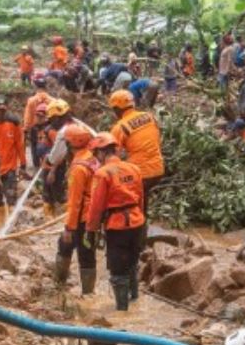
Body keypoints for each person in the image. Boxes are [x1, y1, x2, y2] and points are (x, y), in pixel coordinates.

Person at [86, 136, 147, 311]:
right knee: (132, 264)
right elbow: (141, 198)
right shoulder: (134, 168)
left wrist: (91, 230)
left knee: (118, 271)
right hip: (137, 222)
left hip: (117, 226)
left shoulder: (103, 174)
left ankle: (122, 312)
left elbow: (96, 207)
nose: (96, 158)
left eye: (96, 154)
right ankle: (135, 301)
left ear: (102, 152)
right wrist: (142, 219)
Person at [54, 124, 103, 294]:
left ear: (70, 145)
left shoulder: (78, 168)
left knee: (66, 246)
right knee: (88, 253)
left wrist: (69, 228)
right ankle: (89, 294)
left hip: (83, 218)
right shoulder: (93, 158)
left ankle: (60, 286)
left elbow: (75, 201)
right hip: (95, 215)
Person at [108, 88, 164, 215]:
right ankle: (142, 223)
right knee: (142, 199)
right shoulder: (149, 116)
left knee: (127, 204)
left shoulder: (120, 127)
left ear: (116, 109)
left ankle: (135, 229)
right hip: (158, 168)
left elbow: (110, 156)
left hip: (139, 173)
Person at [0, 101, 23, 208]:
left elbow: (20, 145)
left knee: (11, 198)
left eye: (3, 110)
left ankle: (12, 223)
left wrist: (23, 163)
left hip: (10, 168)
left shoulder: (13, 125)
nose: (1, 112)